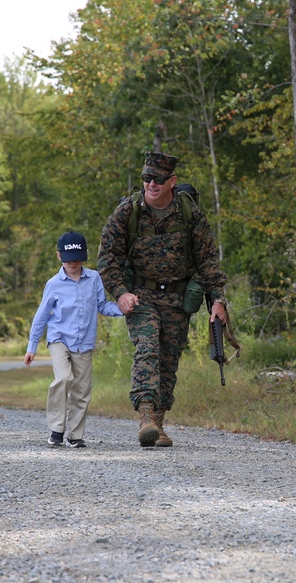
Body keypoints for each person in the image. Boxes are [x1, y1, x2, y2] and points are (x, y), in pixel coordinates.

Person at [97, 151, 228, 447]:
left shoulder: (189, 213)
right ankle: (144, 415)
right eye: (146, 178)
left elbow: (207, 261)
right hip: (140, 295)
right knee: (148, 346)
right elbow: (107, 258)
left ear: (172, 181)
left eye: (157, 179)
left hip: (178, 297)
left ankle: (158, 423)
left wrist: (218, 300)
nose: (151, 184)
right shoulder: (128, 212)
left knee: (169, 359)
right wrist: (120, 293)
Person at [25, 231, 123, 448]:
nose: (73, 263)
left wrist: (123, 309)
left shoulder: (94, 278)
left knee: (82, 389)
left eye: (77, 258)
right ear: (59, 257)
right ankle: (56, 429)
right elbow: (41, 317)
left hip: (84, 343)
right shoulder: (53, 284)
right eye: (69, 259)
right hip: (59, 339)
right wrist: (32, 347)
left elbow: (102, 305)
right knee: (64, 379)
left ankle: (75, 435)